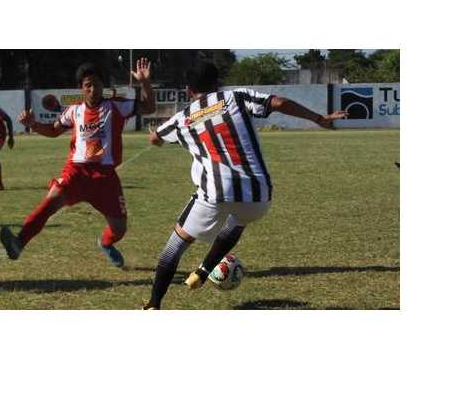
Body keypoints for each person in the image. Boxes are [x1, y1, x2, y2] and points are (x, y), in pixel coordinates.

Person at [142, 61, 347, 309]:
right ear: (217, 83)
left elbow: (156, 138)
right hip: (259, 196)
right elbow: (279, 103)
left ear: (188, 90)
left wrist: (155, 136)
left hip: (215, 194)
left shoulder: (182, 118)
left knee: (175, 246)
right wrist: (318, 118)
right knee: (239, 218)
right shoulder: (235, 97)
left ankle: (153, 305)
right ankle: (205, 270)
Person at [0, 58, 156, 267]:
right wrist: (33, 124)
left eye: (96, 84)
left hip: (106, 178)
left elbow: (149, 107)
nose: (93, 89)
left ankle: (105, 243)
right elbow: (54, 130)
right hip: (77, 172)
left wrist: (145, 82)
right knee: (49, 202)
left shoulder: (116, 106)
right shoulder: (74, 110)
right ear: (81, 88)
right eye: (87, 85)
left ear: (103, 85)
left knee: (119, 229)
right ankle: (18, 243)